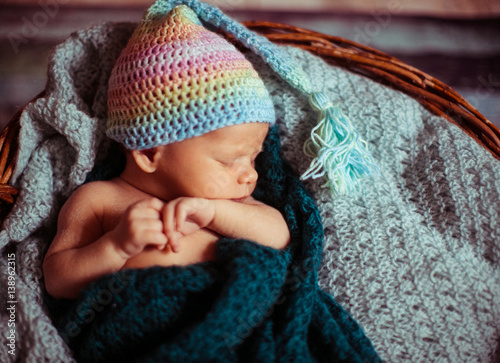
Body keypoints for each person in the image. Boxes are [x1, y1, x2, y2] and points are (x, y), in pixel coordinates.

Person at [43, 5, 290, 300]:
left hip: (229, 312)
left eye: (252, 158)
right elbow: (57, 280)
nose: (250, 173)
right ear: (148, 153)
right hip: (142, 323)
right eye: (228, 160)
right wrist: (116, 247)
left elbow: (278, 237)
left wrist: (212, 214)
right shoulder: (98, 200)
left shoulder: (227, 203)